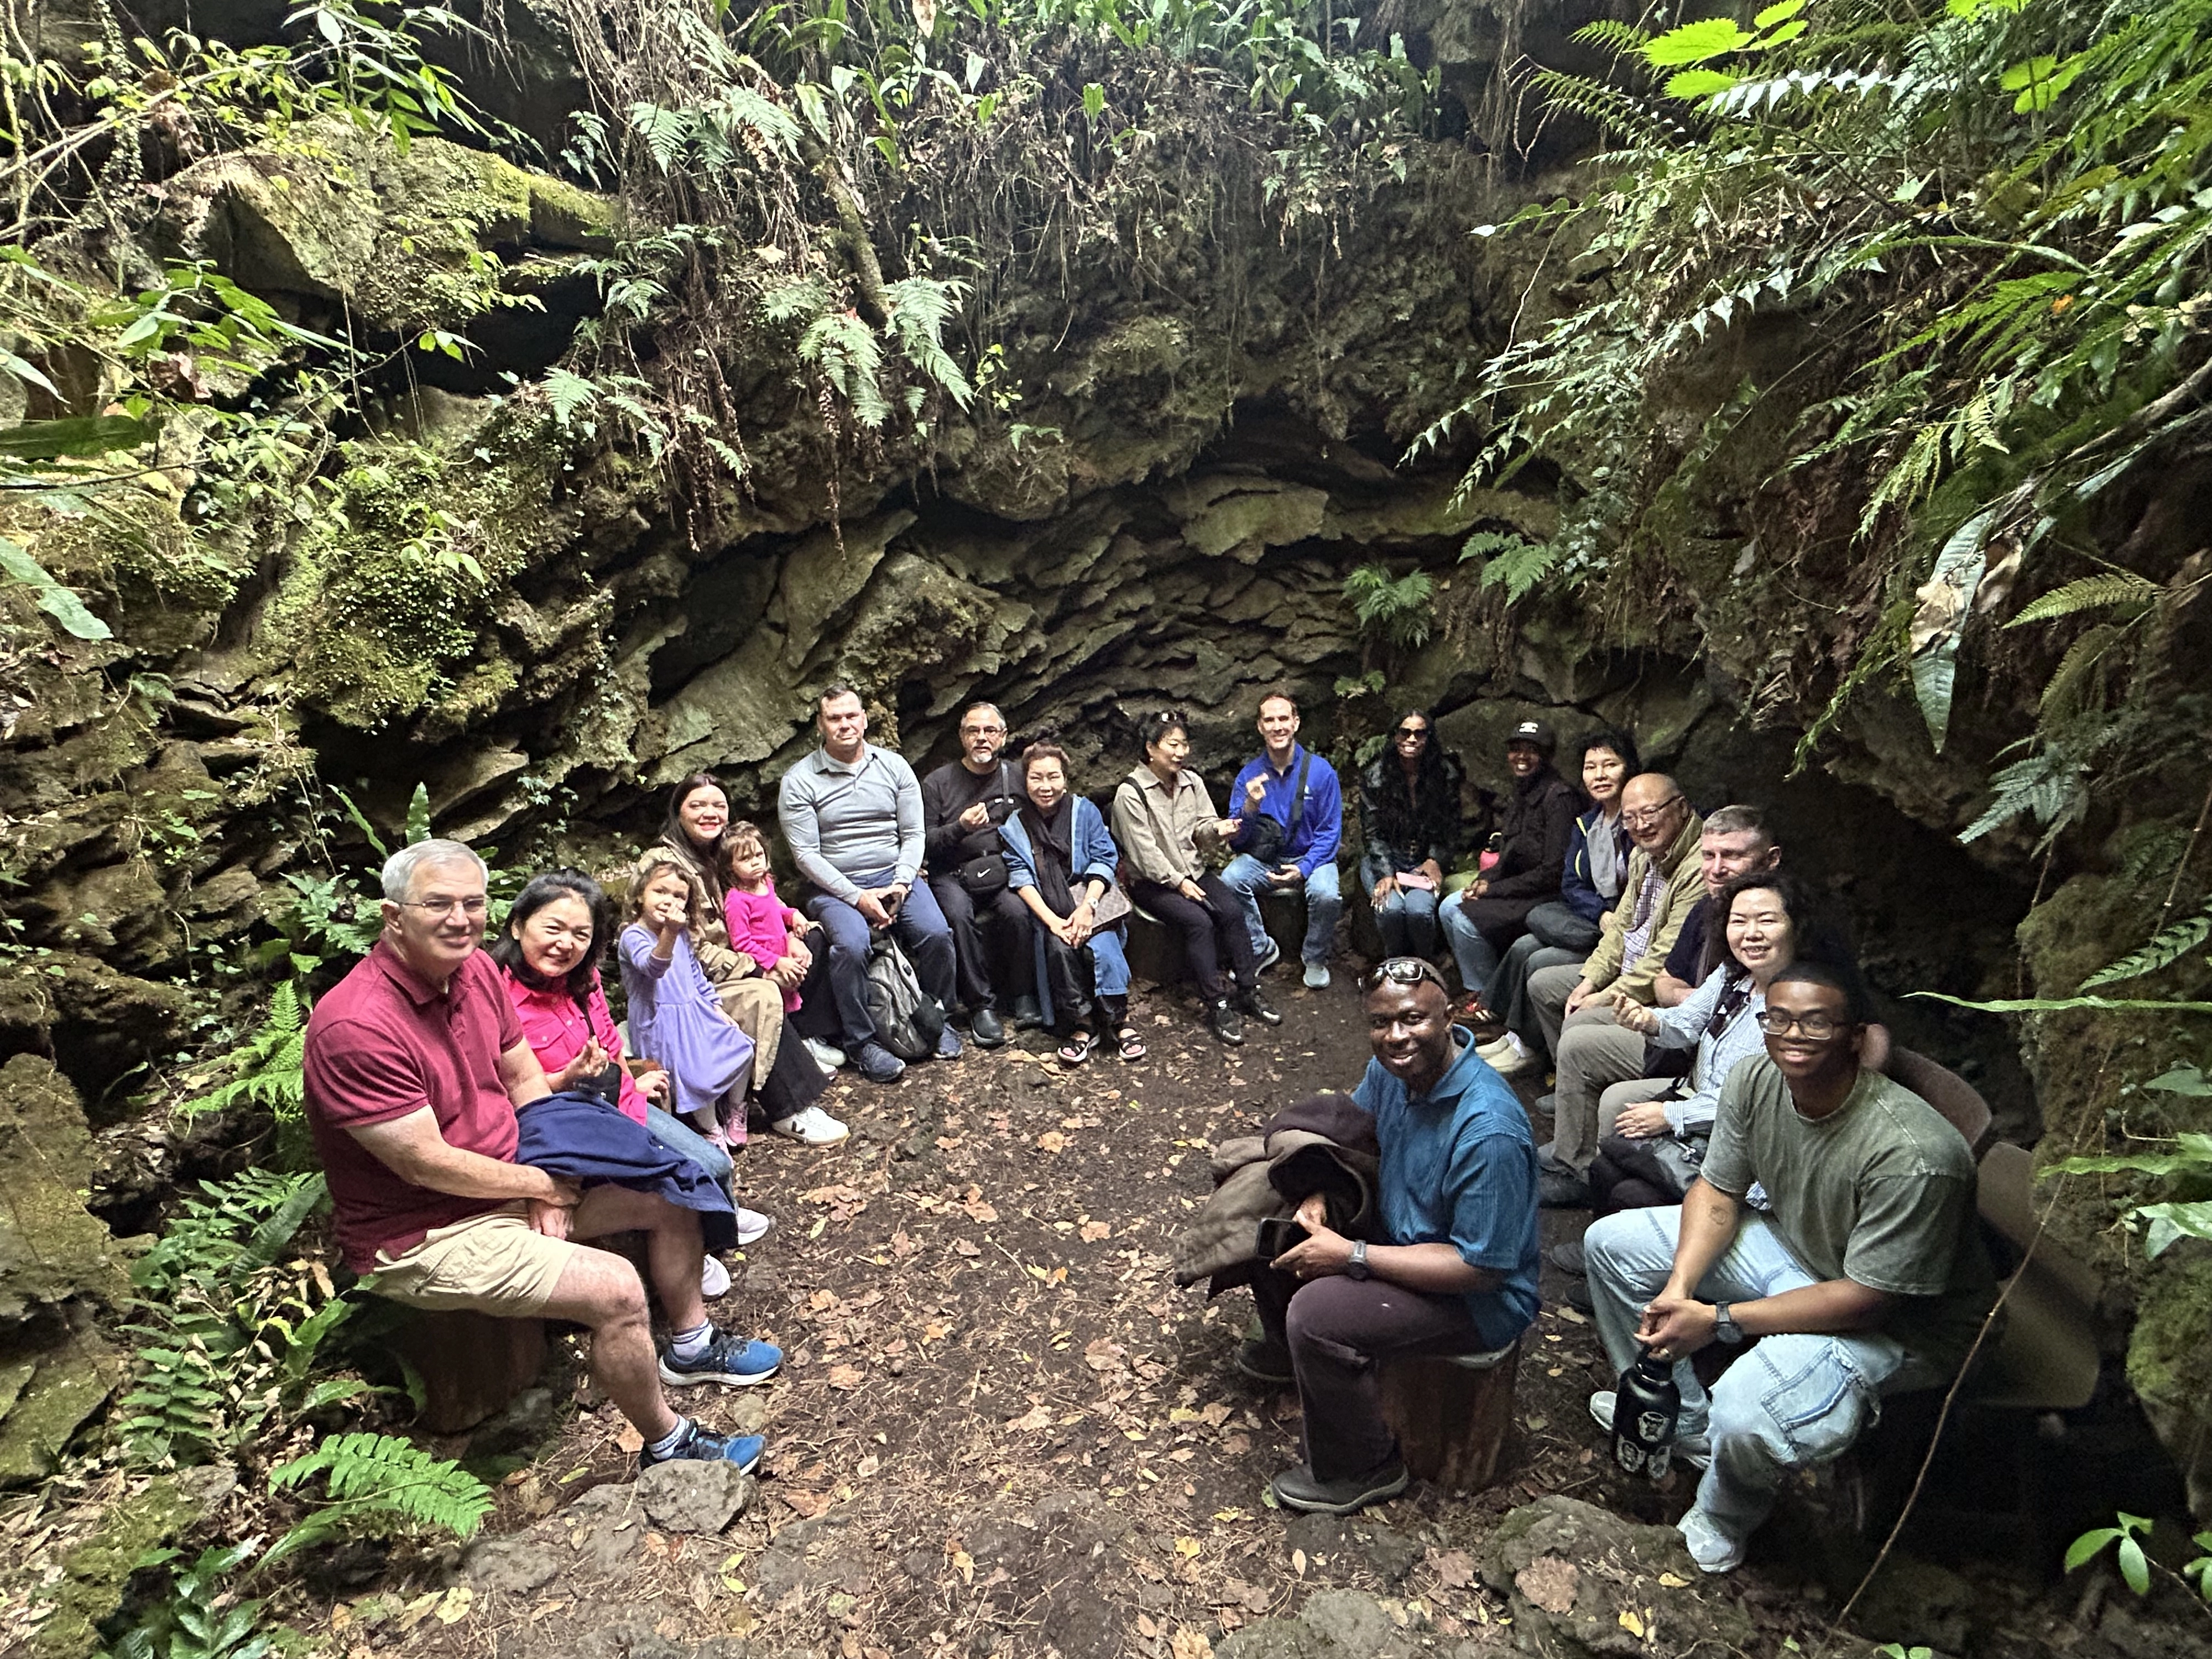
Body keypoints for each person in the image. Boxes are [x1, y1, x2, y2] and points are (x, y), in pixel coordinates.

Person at [303, 839, 779, 1473]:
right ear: (393, 918)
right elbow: (424, 1163)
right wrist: (539, 1185)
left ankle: (690, 1345)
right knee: (615, 1289)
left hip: (509, 1178)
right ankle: (667, 1444)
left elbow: (525, 1084)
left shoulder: (473, 974)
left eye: (472, 902)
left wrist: (542, 1179)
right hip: (427, 1229)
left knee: (673, 1189)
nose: (459, 918)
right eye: (438, 903)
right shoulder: (356, 1027)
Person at [1583, 963, 1995, 1574]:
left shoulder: (1916, 1156)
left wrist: (1718, 1319)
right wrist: (1679, 1289)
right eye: (1777, 1019)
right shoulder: (1757, 1077)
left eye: (1815, 1022)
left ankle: (1722, 1517)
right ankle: (1685, 1424)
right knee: (1610, 1245)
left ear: (1855, 1036)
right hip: (1796, 1248)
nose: (1792, 1035)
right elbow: (1718, 1191)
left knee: (1748, 1411)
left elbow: (1868, 1300)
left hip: (1901, 1324)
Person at [1243, 958, 1540, 1515]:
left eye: (1412, 1019)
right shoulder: (1393, 1071)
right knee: (1276, 1219)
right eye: (1380, 1023)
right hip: (1405, 1230)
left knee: (1318, 1312)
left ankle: (1363, 1465)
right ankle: (1295, 1358)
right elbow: (1357, 1139)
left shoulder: (1488, 1129)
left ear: (1448, 1016)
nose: (1395, 1037)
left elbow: (1482, 1268)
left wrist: (1352, 1256)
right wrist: (1323, 1194)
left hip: (1476, 1297)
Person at [1551, 874, 1863, 1290]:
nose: (1751, 933)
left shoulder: (1804, 1007)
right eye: (1739, 921)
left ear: (1796, 925)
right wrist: (1648, 1021)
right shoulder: (1736, 977)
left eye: (1766, 921)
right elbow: (1687, 1023)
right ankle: (1610, 1270)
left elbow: (1761, 1097)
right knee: (1612, 1160)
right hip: (1710, 1121)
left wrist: (1671, 1115)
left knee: (1630, 1188)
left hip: (1755, 1151)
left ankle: (1654, 1285)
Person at [489, 870, 770, 1300]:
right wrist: (565, 1078)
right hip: (569, 1127)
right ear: (517, 925)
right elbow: (509, 1088)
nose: (566, 943)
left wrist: (631, 1085)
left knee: (716, 1164)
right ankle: (700, 1242)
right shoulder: (494, 997)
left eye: (580, 934)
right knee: (700, 1171)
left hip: (618, 1104)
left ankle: (712, 1228)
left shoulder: (583, 981)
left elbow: (608, 1040)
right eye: (553, 928)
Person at [1521, 804, 1781, 1201]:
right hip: (1696, 1066)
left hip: (1723, 1104)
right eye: (1709, 856)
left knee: (1612, 1101)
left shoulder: (1796, 975)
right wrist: (1647, 1017)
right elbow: (1668, 983)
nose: (1716, 868)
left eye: (1732, 856)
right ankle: (1579, 1161)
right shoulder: (1725, 948)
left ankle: (1594, 1178)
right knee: (1564, 1009)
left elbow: (1767, 1093)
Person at [777, 685, 963, 1084]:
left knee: (936, 933)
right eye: (834, 718)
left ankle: (939, 1017)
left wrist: (900, 884)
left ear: (864, 719)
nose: (845, 725)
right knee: (852, 945)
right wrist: (858, 898)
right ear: (821, 726)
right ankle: (861, 1043)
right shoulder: (800, 781)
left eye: (851, 716)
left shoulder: (894, 767)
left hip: (895, 876)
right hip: (835, 888)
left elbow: (914, 835)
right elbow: (806, 855)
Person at [657, 775, 842, 1142]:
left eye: (719, 806)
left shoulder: (718, 853)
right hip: (695, 980)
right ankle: (789, 1108)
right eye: (697, 805)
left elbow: (769, 908)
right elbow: (691, 948)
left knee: (814, 941)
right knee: (762, 994)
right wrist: (763, 966)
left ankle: (802, 1037)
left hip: (741, 955)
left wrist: (789, 938)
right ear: (678, 812)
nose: (710, 813)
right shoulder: (668, 866)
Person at [1112, 709, 1280, 1047]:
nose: (1180, 752)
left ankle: (1248, 988)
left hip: (1195, 871)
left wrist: (1221, 828)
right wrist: (1178, 883)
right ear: (1150, 748)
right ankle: (1217, 1003)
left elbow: (1202, 830)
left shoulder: (1193, 783)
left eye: (1184, 744)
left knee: (1232, 911)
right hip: (1153, 883)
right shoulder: (1130, 793)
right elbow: (1144, 853)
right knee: (1198, 922)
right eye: (1172, 744)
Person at [1475, 729, 1640, 1072]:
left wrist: (1613, 918)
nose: (1599, 775)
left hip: (1623, 935)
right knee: (1523, 946)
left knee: (1541, 961)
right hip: (1596, 922)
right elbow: (1572, 883)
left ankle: (1534, 1051)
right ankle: (1513, 1037)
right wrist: (1599, 913)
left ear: (1629, 769)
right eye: (1591, 767)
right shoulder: (1588, 824)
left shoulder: (1638, 824)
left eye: (1610, 765)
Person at [1521, 774, 1704, 1068]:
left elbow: (1664, 957)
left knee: (1579, 1024)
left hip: (1653, 987)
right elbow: (1621, 926)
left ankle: (1582, 1078)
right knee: (1543, 983)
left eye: (1649, 813)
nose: (1641, 825)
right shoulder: (1643, 855)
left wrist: (1605, 996)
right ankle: (1571, 1078)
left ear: (1681, 807)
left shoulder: (1700, 867)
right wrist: (1591, 980)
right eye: (1630, 818)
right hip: (1626, 968)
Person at [999, 742, 1140, 1064]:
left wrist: (1087, 907)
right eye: (1036, 778)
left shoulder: (1085, 811)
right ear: (1025, 781)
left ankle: (1119, 1022)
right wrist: (1054, 922)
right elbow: (1022, 879)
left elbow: (1105, 858)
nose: (1045, 787)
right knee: (1059, 949)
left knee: (1103, 946)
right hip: (1051, 909)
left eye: (1053, 777)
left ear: (1065, 779)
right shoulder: (1014, 827)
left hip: (1091, 902)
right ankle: (1083, 1025)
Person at [1437, 719, 1579, 1017]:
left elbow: (1553, 871)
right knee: (1450, 905)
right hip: (1518, 886)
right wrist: (1484, 880)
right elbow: (1511, 852)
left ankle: (1492, 1003)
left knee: (1465, 920)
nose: (1522, 757)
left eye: (1532, 750)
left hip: (1547, 896)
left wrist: (1495, 889)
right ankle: (1478, 988)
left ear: (1547, 755)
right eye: (1516, 750)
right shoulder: (1522, 792)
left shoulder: (1559, 798)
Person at [920, 702, 1039, 1046]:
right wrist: (960, 828)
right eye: (973, 731)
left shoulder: (1017, 776)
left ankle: (1023, 996)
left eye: (989, 731)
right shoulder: (938, 783)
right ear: (962, 737)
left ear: (1003, 737)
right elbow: (925, 842)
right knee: (958, 916)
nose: (981, 738)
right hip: (953, 873)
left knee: (1017, 911)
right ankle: (980, 1005)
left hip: (1002, 869)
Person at [1222, 690, 1345, 989]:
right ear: (1260, 727)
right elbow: (1238, 844)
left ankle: (1315, 957)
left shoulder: (1321, 772)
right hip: (1269, 860)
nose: (1277, 726)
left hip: (1312, 858)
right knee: (1230, 878)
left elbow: (1330, 833)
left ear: (1296, 723)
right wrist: (1250, 807)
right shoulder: (1249, 776)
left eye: (1283, 718)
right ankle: (1260, 946)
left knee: (1327, 894)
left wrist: (1304, 869)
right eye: (1269, 720)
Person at [1358, 709, 1465, 959]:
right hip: (1385, 857)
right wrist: (1385, 873)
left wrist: (1435, 858)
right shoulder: (1376, 777)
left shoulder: (1444, 774)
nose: (1412, 739)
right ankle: (1394, 966)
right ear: (1395, 736)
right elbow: (1372, 833)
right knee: (1390, 909)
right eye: (1405, 732)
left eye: (1420, 733)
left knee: (1419, 911)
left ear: (1429, 738)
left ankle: (1423, 966)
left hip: (1423, 860)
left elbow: (1451, 827)